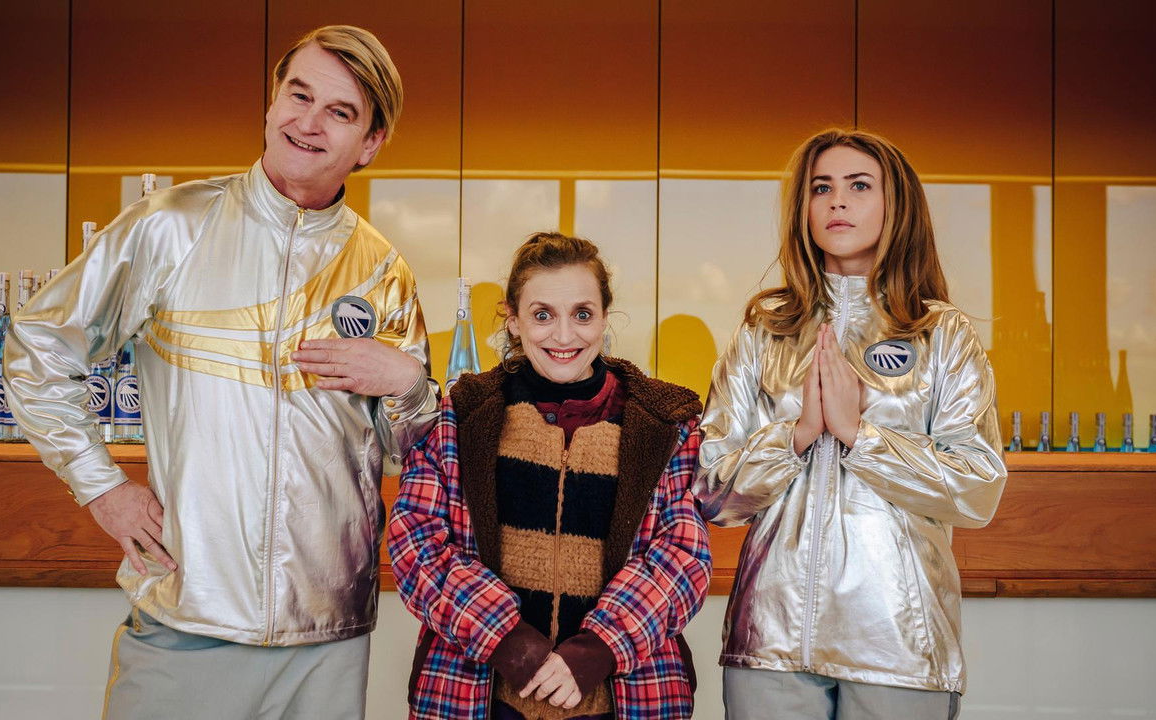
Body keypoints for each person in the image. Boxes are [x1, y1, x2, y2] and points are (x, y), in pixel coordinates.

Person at [3, 25, 438, 719]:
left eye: (340, 111)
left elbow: (414, 452)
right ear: (271, 102)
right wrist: (101, 487)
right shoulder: (169, 226)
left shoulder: (384, 271)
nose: (308, 122)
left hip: (326, 636)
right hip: (185, 614)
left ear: (370, 143)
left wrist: (409, 386)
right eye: (299, 96)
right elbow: (37, 344)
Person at [695, 128, 1006, 719]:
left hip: (899, 643)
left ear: (896, 205)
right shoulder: (764, 331)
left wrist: (860, 437)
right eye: (821, 188)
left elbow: (977, 487)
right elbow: (711, 493)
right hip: (770, 640)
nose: (837, 200)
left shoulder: (941, 333)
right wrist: (797, 435)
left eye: (859, 185)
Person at [388, 232, 712, 720]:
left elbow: (682, 555)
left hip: (625, 699)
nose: (563, 336)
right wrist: (508, 640)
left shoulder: (666, 423)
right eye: (542, 315)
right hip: (479, 698)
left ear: (604, 317)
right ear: (513, 321)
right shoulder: (462, 416)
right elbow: (417, 542)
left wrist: (596, 650)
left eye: (582, 314)